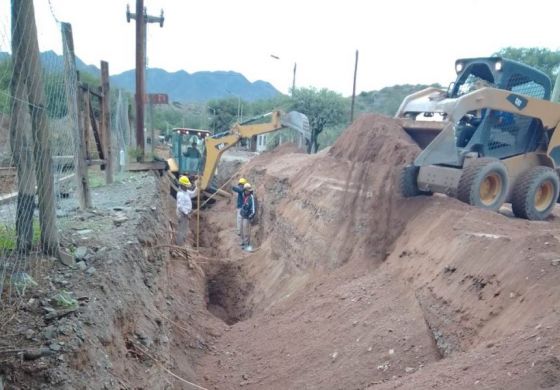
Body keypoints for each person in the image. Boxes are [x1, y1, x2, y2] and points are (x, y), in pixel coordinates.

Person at [176, 175, 198, 246]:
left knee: (184, 230)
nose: (187, 187)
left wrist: (198, 187)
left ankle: (182, 243)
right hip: (182, 214)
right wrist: (187, 213)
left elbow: (194, 194)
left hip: (186, 214)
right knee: (181, 230)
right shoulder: (180, 194)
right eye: (186, 185)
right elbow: (180, 207)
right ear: (182, 185)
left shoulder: (186, 192)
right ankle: (179, 245)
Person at [239, 182, 256, 250]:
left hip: (247, 217)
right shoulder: (245, 196)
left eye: (247, 190)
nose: (246, 192)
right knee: (242, 230)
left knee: (246, 231)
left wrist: (250, 216)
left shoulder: (251, 197)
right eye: (246, 190)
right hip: (243, 215)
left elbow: (253, 209)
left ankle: (247, 245)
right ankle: (243, 242)